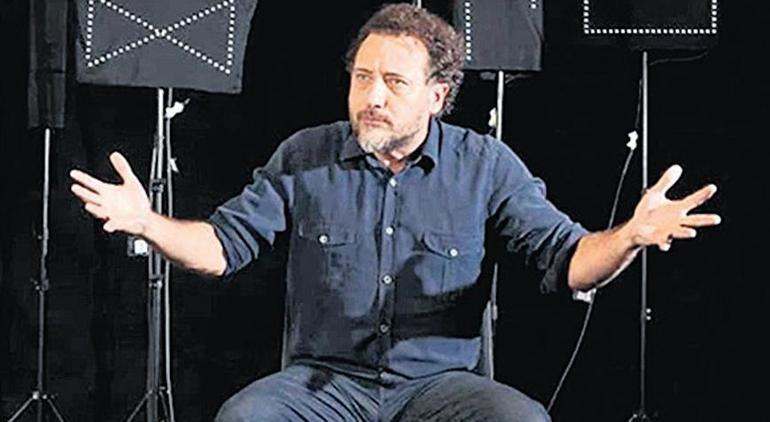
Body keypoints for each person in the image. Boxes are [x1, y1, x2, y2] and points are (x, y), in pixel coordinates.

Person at [69, 4, 720, 421]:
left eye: (394, 82)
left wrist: (629, 237)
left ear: (438, 95)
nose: (372, 96)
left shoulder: (485, 165)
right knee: (245, 418)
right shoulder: (305, 155)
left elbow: (568, 261)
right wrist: (150, 223)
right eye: (362, 77)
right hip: (324, 384)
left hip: (439, 387)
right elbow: (222, 247)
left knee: (522, 421)